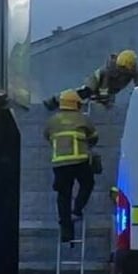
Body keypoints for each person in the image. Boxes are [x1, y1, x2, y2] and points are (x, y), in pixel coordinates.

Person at [44, 89, 99, 242]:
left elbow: (47, 136)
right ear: (76, 104)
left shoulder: (52, 121)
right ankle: (77, 210)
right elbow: (94, 137)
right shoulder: (83, 119)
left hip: (60, 164)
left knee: (63, 196)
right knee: (87, 184)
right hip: (79, 161)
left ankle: (66, 232)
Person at [42, 49, 138, 111]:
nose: (121, 70)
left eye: (124, 69)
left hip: (112, 89)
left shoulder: (136, 71)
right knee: (84, 93)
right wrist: (103, 99)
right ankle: (55, 100)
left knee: (107, 104)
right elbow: (104, 88)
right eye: (120, 68)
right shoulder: (108, 70)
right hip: (97, 80)